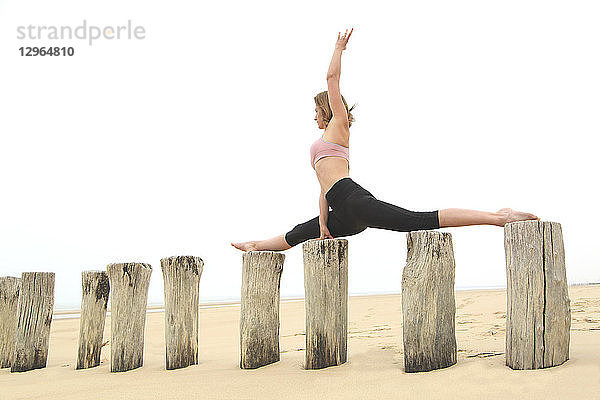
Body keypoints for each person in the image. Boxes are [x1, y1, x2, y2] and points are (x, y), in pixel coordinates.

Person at [231, 28, 538, 252]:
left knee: (418, 220)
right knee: (301, 232)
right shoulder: (320, 144)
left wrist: (338, 48)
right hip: (341, 213)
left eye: (315, 110)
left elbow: (332, 80)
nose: (313, 116)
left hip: (353, 200)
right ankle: (255, 245)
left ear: (325, 109)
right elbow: (322, 189)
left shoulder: (338, 126)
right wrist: (324, 225)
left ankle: (499, 217)